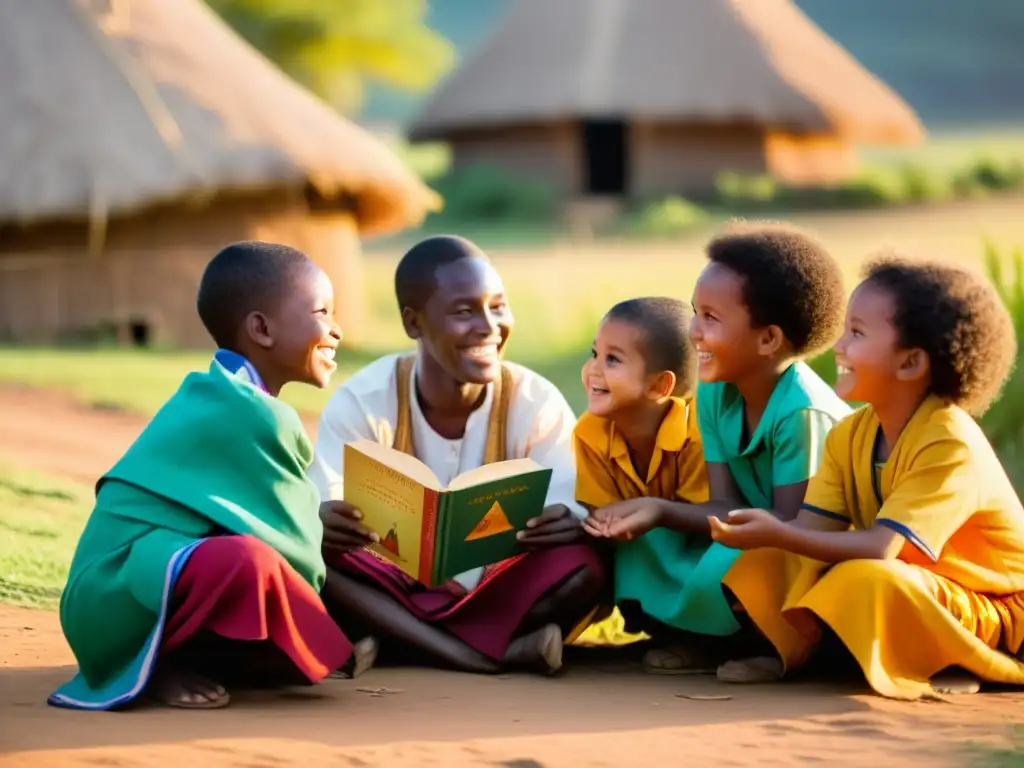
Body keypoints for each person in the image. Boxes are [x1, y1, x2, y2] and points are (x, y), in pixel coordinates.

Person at [49, 242, 372, 711]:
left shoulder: (221, 392)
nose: (337, 329)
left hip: (109, 597)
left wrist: (315, 525)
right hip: (115, 599)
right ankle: (158, 667)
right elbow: (296, 548)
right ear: (261, 328)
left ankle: (243, 658)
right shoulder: (251, 412)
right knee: (245, 561)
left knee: (253, 557)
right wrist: (319, 531)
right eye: (323, 311)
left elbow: (263, 518)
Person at [713, 256, 1024, 700]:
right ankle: (795, 653)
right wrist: (767, 533)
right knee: (768, 560)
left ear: (911, 364)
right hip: (910, 584)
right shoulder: (851, 434)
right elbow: (809, 533)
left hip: (989, 609)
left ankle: (953, 658)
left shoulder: (948, 442)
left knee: (869, 579)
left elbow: (882, 547)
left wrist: (782, 533)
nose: (838, 346)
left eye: (856, 333)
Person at [309, 235, 605, 675]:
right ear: (414, 323)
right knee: (317, 562)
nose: (489, 326)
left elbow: (569, 501)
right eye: (464, 312)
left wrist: (567, 519)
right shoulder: (364, 399)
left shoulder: (534, 400)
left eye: (498, 306)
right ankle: (481, 652)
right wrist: (326, 520)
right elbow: (322, 501)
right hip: (392, 581)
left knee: (586, 568)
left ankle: (399, 640)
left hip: (492, 585)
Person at [587, 223, 851, 674]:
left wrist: (683, 520)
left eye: (711, 318)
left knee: (753, 559)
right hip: (749, 534)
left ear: (768, 339)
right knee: (642, 543)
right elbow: (724, 504)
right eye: (695, 312)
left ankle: (782, 653)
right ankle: (708, 645)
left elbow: (793, 532)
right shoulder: (714, 390)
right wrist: (657, 510)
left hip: (801, 549)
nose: (693, 331)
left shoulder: (802, 414)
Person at [575, 297, 709, 650]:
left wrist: (657, 513)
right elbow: (595, 508)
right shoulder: (589, 433)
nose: (593, 371)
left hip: (702, 556)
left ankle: (715, 642)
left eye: (612, 360)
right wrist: (592, 520)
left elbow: (714, 518)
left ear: (659, 387)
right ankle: (666, 637)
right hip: (642, 559)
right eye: (593, 354)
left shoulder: (698, 431)